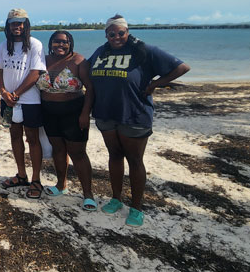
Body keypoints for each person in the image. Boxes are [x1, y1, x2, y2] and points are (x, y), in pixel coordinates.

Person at [81, 14, 190, 227]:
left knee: (135, 160)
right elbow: (85, 69)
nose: (116, 37)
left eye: (120, 33)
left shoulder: (144, 50)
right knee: (114, 156)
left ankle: (137, 207)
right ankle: (116, 198)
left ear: (127, 32)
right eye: (112, 33)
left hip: (134, 114)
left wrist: (156, 84)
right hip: (105, 113)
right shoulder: (101, 51)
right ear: (106, 34)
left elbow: (182, 67)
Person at [37, 31, 96, 210]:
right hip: (49, 112)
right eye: (57, 42)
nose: (60, 45)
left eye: (65, 42)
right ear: (51, 43)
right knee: (58, 150)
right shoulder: (44, 60)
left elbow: (91, 89)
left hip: (73, 112)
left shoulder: (79, 61)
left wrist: (85, 113)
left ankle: (88, 194)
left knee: (78, 153)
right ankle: (60, 185)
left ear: (71, 43)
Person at [0, 9, 47, 198]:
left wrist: (16, 93)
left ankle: (36, 179)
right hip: (8, 100)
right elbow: (0, 71)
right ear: (8, 25)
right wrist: (3, 92)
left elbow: (35, 73)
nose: (16, 26)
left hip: (29, 100)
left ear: (25, 24)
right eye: (13, 23)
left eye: (20, 23)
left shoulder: (35, 44)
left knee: (32, 139)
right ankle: (21, 174)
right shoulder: (3, 45)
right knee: (14, 136)